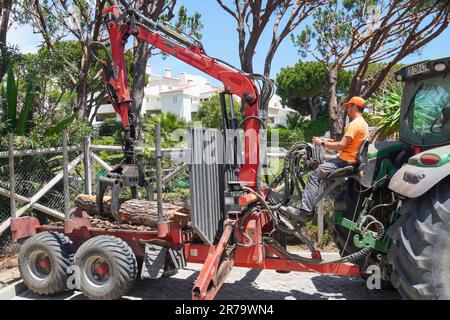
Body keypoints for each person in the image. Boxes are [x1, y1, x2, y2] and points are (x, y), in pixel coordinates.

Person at [294, 96, 369, 222]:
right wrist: (327, 141)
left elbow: (341, 146)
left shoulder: (355, 124)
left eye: (348, 107)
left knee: (315, 175)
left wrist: (322, 143)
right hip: (351, 161)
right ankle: (340, 201)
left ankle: (305, 211)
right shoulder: (364, 124)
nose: (347, 110)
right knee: (327, 176)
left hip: (344, 161)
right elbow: (348, 144)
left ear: (354, 107)